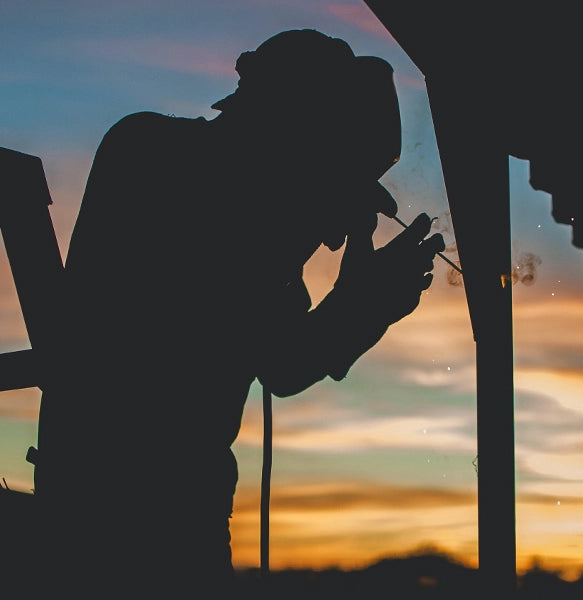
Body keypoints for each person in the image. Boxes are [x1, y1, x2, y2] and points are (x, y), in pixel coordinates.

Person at [32, 29, 445, 597]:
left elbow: (281, 357)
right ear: (293, 136)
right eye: (335, 177)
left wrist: (359, 306)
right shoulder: (159, 159)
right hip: (137, 522)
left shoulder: (235, 198)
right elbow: (271, 348)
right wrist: (358, 305)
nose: (330, 234)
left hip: (170, 512)